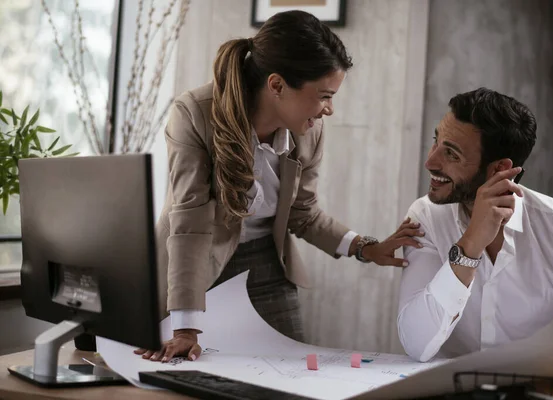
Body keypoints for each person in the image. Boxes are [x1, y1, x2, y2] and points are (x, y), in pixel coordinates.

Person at [135, 10, 424, 363]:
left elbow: (303, 213)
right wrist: (185, 329)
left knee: (290, 373)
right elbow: (190, 223)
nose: (329, 110)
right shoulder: (195, 113)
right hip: (191, 264)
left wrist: (365, 247)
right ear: (277, 86)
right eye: (324, 96)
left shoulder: (309, 131)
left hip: (265, 262)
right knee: (182, 374)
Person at [397, 88, 553, 362]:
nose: (430, 162)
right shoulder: (426, 216)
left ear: (498, 169)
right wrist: (470, 246)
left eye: (451, 154)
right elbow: (416, 344)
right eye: (436, 141)